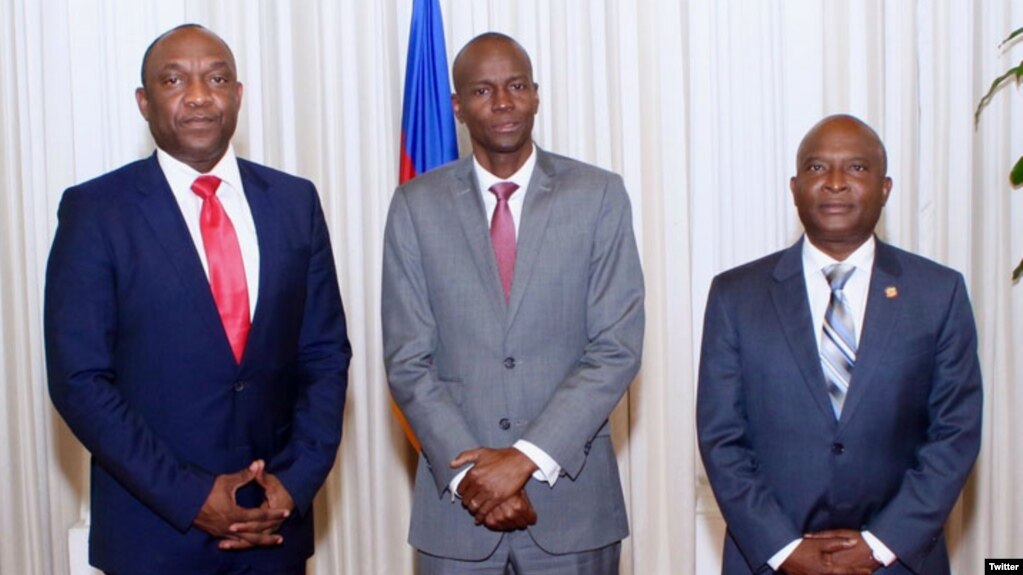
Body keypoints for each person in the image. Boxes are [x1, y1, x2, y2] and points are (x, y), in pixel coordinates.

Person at [44, 24, 351, 574]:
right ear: (144, 102)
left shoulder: (293, 201)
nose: (198, 95)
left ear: (237, 94)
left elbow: (325, 354)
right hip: (154, 536)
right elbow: (80, 380)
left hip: (274, 533)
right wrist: (191, 497)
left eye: (215, 78)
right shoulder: (96, 211)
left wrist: (295, 482)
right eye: (173, 79)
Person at [381, 32, 644, 574]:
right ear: (456, 106)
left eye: (516, 86)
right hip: (455, 512)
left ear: (536, 94)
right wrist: (476, 479)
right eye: (482, 90)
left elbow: (615, 348)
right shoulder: (415, 205)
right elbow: (408, 360)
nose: (503, 102)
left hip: (572, 512)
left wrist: (524, 459)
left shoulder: (598, 195)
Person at [696, 114, 982, 575]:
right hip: (770, 561)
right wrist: (786, 549)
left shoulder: (938, 292)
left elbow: (954, 434)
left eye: (855, 168)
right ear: (794, 187)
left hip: (897, 561)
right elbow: (722, 437)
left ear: (885, 188)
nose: (834, 183)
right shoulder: (735, 295)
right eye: (816, 168)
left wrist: (880, 544)